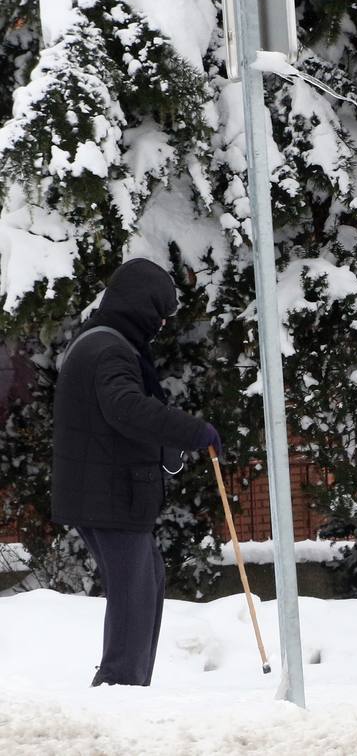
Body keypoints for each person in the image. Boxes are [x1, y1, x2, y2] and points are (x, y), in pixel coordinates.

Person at [51, 258, 222, 686]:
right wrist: (191, 431)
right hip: (108, 493)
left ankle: (129, 686)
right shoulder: (109, 349)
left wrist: (164, 442)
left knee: (146, 586)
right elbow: (125, 408)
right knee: (134, 596)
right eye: (159, 314)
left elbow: (114, 414)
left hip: (109, 491)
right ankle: (118, 689)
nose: (162, 324)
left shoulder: (104, 343)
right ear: (140, 305)